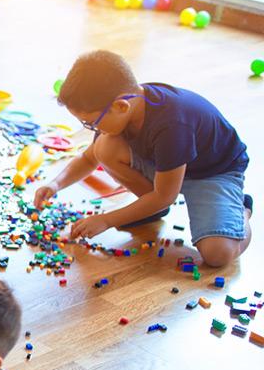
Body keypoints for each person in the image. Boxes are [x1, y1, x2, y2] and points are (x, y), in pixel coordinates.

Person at [36, 50, 252, 267]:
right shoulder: (125, 106)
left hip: (213, 173)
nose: (91, 128)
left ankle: (240, 211)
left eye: (91, 123)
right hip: (166, 169)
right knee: (104, 147)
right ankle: (150, 208)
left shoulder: (172, 124)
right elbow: (89, 158)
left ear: (121, 106)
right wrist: (55, 184)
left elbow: (165, 195)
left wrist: (106, 220)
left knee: (218, 255)